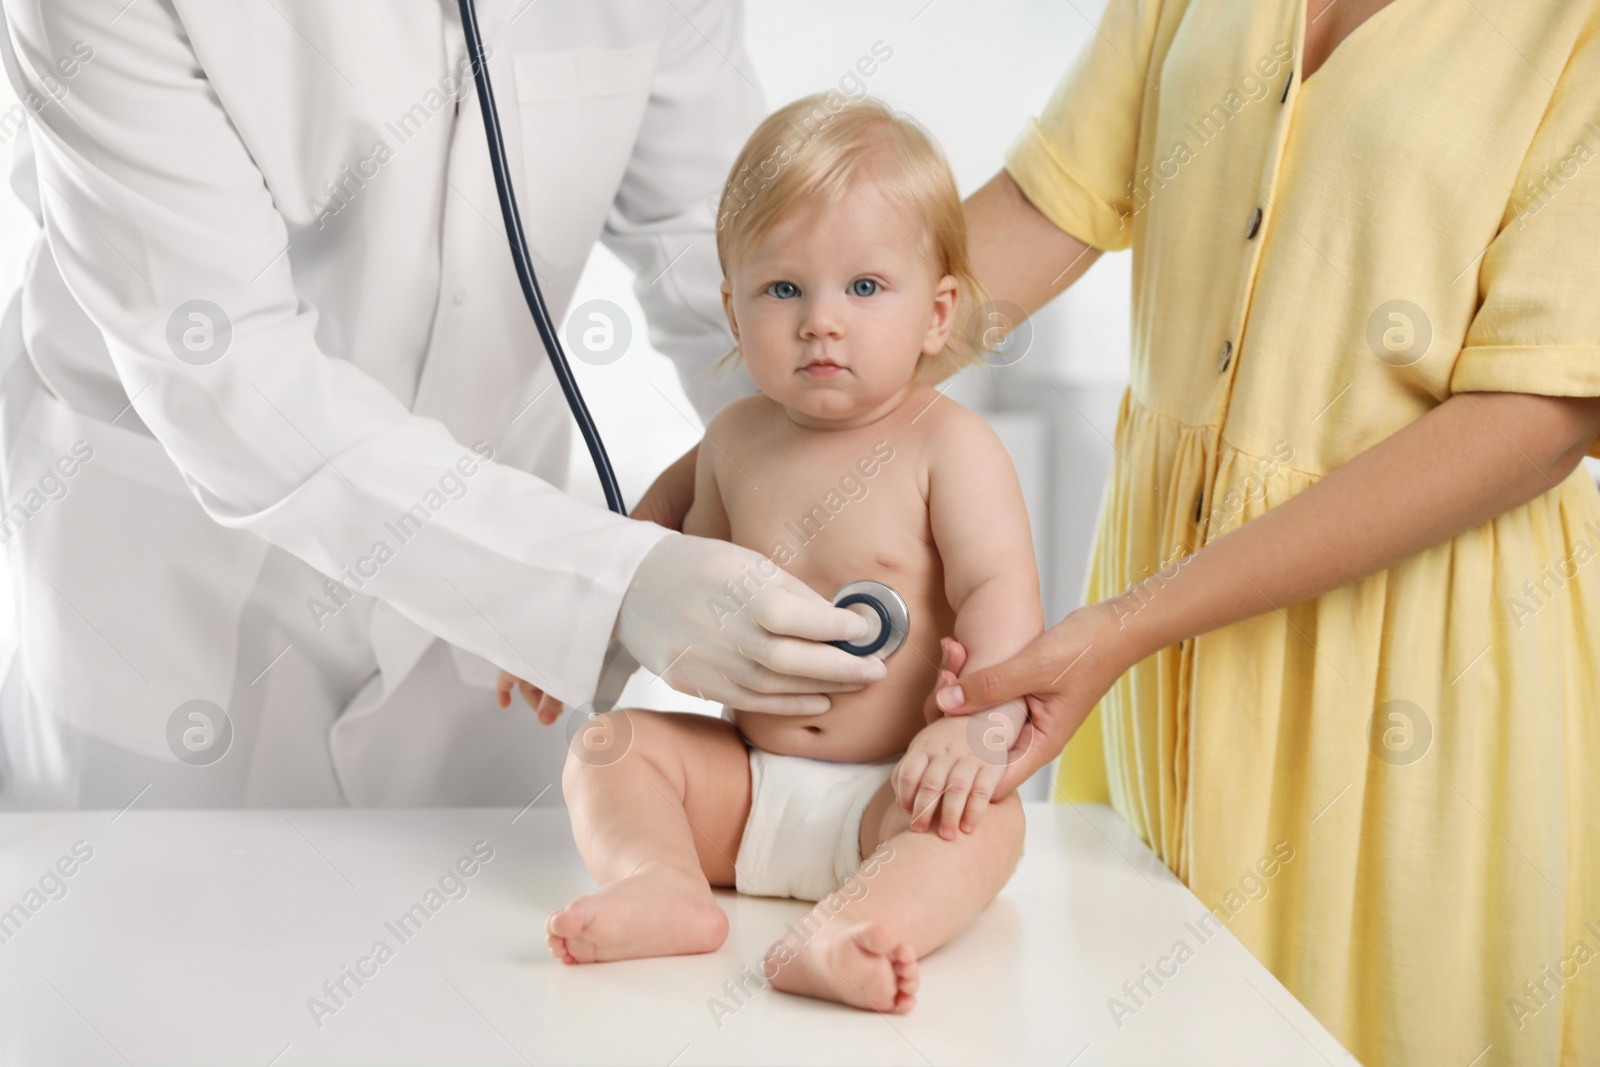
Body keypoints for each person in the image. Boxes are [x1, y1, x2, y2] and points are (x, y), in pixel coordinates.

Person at [926, 1, 1599, 1064]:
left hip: (1418, 671)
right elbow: (1038, 212)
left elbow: (1537, 418)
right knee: (1136, 1012)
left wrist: (1131, 622)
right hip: (1149, 656)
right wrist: (759, 442)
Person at [0, 0, 884, 810]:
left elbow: (730, 266)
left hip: (486, 645)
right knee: (157, 967)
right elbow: (224, 371)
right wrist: (608, 586)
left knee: (502, 964)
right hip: (178, 605)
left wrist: (867, 520)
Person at [521, 95, 1043, 1014]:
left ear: (939, 310)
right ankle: (663, 882)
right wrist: (571, 631)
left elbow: (1001, 587)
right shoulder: (729, 439)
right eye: (783, 289)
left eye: (866, 287)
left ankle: (859, 927)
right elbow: (636, 547)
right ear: (731, 307)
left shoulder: (948, 446)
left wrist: (976, 728)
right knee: (608, 747)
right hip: (743, 785)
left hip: (894, 794)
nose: (821, 322)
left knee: (986, 823)